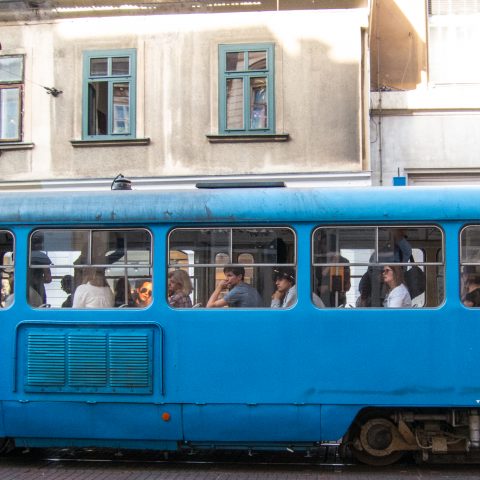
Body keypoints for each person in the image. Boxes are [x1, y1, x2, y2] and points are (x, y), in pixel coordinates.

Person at [29, 234, 52, 305]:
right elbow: (48, 279)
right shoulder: (43, 257)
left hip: (22, 289)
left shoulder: (21, 255)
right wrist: (39, 279)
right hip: (39, 290)